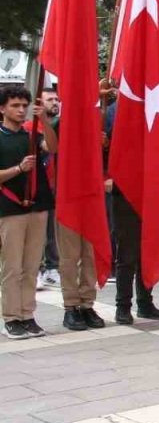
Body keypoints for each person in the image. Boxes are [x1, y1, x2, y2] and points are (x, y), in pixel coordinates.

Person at [0, 87, 57, 339]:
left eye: (24, 105)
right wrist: (19, 169)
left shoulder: (31, 133)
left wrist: (44, 120)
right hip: (10, 208)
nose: (21, 110)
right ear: (2, 108)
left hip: (37, 205)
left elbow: (53, 147)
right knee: (12, 266)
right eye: (15, 105)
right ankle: (11, 317)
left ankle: (27, 314)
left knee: (31, 265)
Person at [33, 87, 60, 289]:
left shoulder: (59, 125)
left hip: (56, 186)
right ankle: (38, 269)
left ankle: (52, 268)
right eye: (50, 99)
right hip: (37, 188)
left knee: (52, 231)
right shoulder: (30, 127)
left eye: (57, 99)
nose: (55, 102)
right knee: (38, 232)